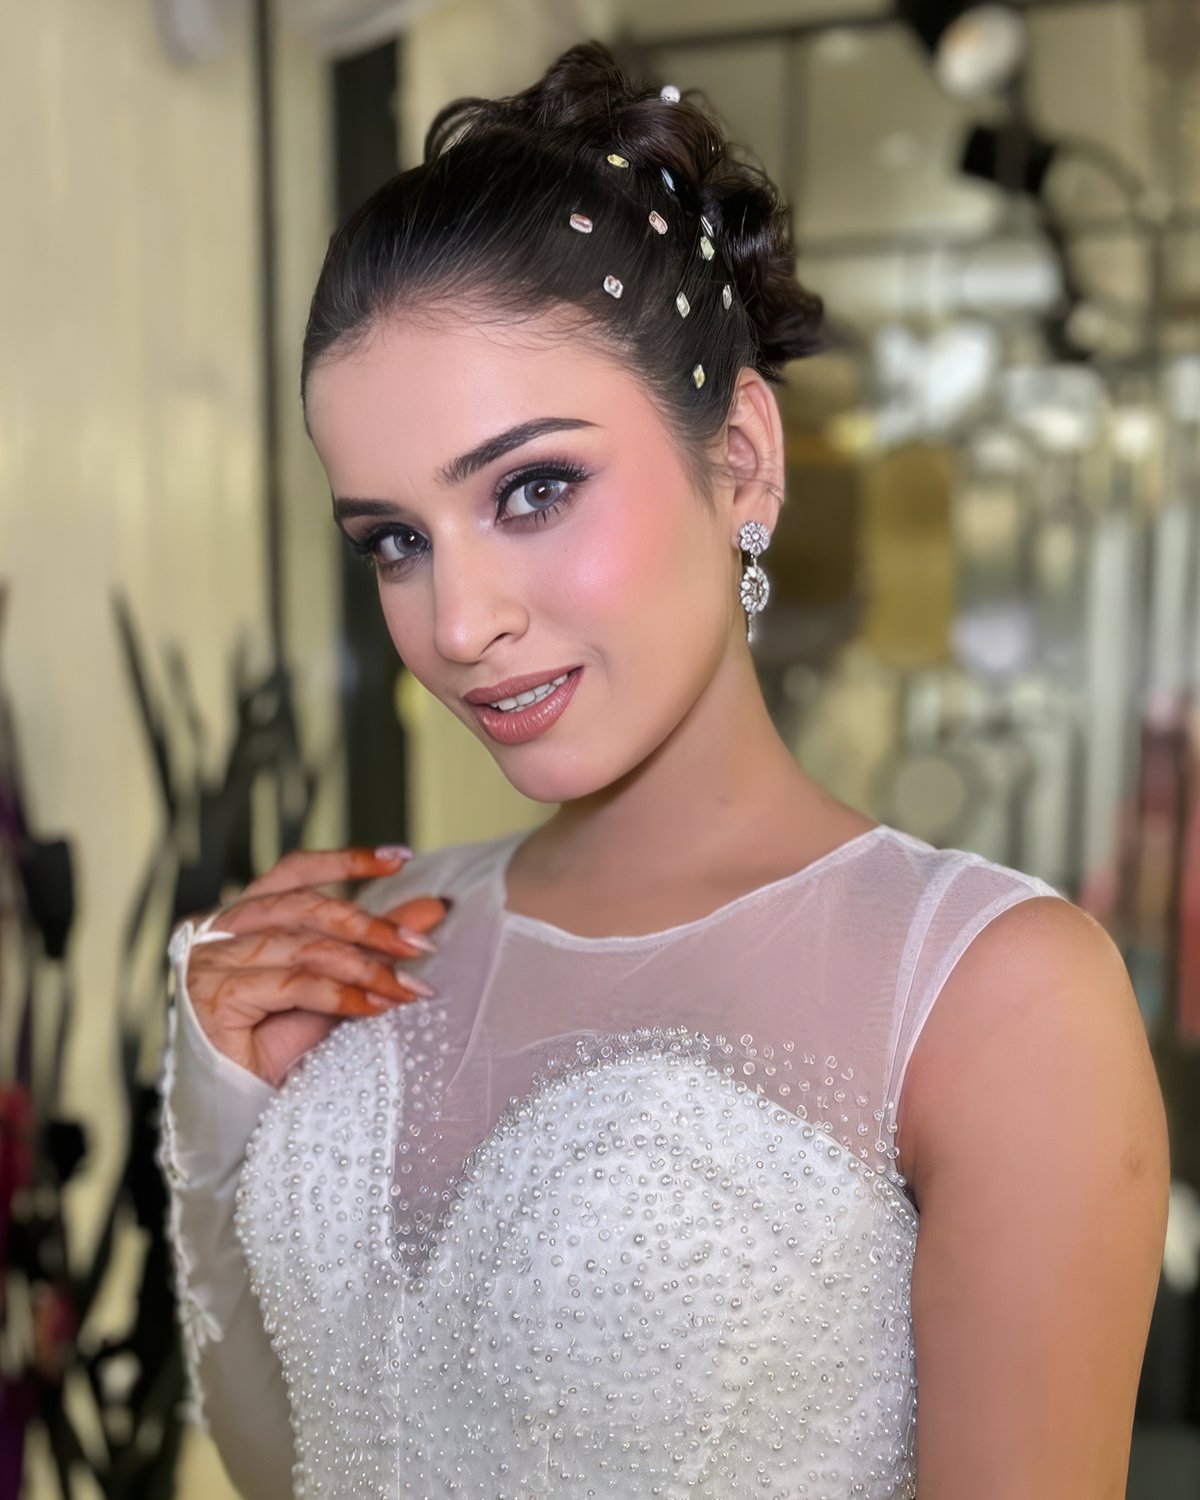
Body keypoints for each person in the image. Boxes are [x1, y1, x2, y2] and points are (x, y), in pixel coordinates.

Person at [157, 39, 1170, 1500]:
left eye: (534, 489)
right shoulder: (372, 947)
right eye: (395, 541)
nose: (457, 622)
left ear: (742, 459)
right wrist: (217, 1119)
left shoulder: (989, 997)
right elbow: (290, 1465)